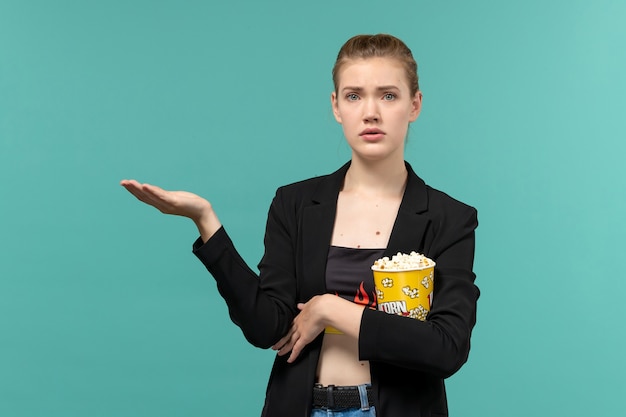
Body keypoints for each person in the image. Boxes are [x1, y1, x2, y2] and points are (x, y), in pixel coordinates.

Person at [121, 34, 479, 417]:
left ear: (415, 105)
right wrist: (205, 221)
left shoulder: (449, 218)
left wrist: (330, 309)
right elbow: (269, 328)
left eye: (388, 95)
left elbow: (446, 348)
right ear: (336, 106)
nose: (370, 112)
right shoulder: (295, 204)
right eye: (354, 95)